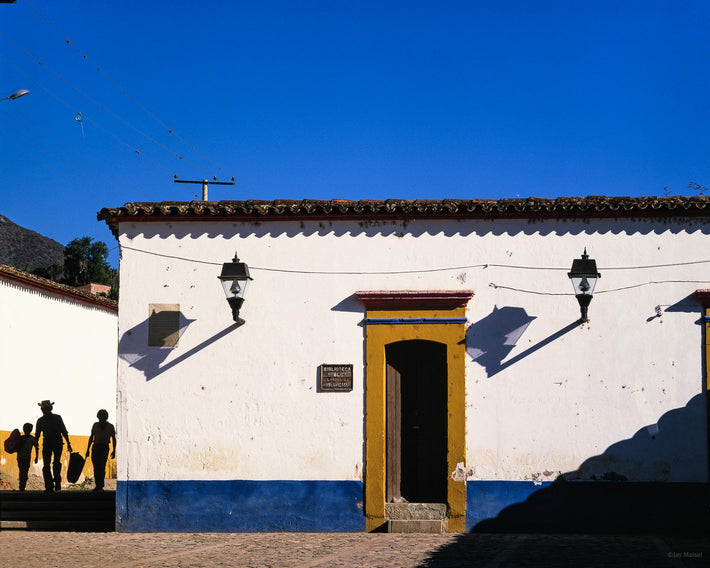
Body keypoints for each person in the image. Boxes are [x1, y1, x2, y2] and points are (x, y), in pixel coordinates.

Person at [35, 400, 72, 492]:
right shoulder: (41, 420)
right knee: (47, 465)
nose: (45, 411)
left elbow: (64, 431)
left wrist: (68, 443)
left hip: (57, 443)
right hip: (49, 443)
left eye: (46, 409)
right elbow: (37, 435)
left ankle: (56, 483)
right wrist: (35, 445)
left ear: (50, 409)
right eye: (43, 409)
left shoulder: (56, 418)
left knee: (55, 463)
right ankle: (49, 485)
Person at [85, 409, 116, 491]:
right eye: (100, 416)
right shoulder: (95, 425)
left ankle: (100, 485)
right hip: (96, 447)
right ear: (98, 417)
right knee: (96, 466)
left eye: (103, 416)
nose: (102, 418)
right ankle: (98, 485)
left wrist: (114, 450)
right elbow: (91, 437)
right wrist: (87, 449)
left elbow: (114, 438)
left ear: (106, 417)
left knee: (101, 466)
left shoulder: (110, 426)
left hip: (104, 447)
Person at [17, 423, 39, 491]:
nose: (27, 430)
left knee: (24, 472)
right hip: (21, 458)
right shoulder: (22, 438)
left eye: (28, 429)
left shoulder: (30, 439)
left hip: (25, 458)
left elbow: (36, 447)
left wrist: (36, 457)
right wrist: (36, 457)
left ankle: (22, 485)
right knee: (22, 471)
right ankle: (22, 486)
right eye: (26, 428)